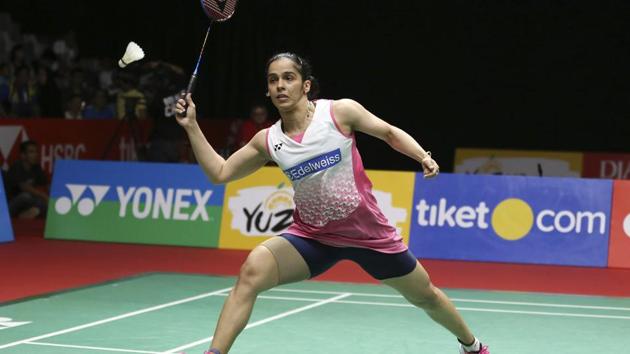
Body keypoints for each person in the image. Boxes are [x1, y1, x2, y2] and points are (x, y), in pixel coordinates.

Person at [175, 52, 489, 354]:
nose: (281, 86)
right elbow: (219, 172)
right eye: (273, 80)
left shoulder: (339, 113)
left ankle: (472, 345)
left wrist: (422, 156)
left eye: (289, 78)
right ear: (268, 90)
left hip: (370, 237)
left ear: (305, 85)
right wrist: (191, 125)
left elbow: (389, 133)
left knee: (426, 297)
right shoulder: (268, 140)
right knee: (252, 271)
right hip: (314, 237)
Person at [7, 140, 48, 219]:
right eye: (31, 152)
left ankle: (23, 214)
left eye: (36, 152)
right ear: (23, 155)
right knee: (25, 196)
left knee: (43, 203)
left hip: (29, 202)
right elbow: (24, 187)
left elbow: (46, 184)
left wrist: (52, 198)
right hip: (10, 205)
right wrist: (43, 196)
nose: (35, 154)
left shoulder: (37, 167)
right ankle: (20, 214)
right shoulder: (16, 166)